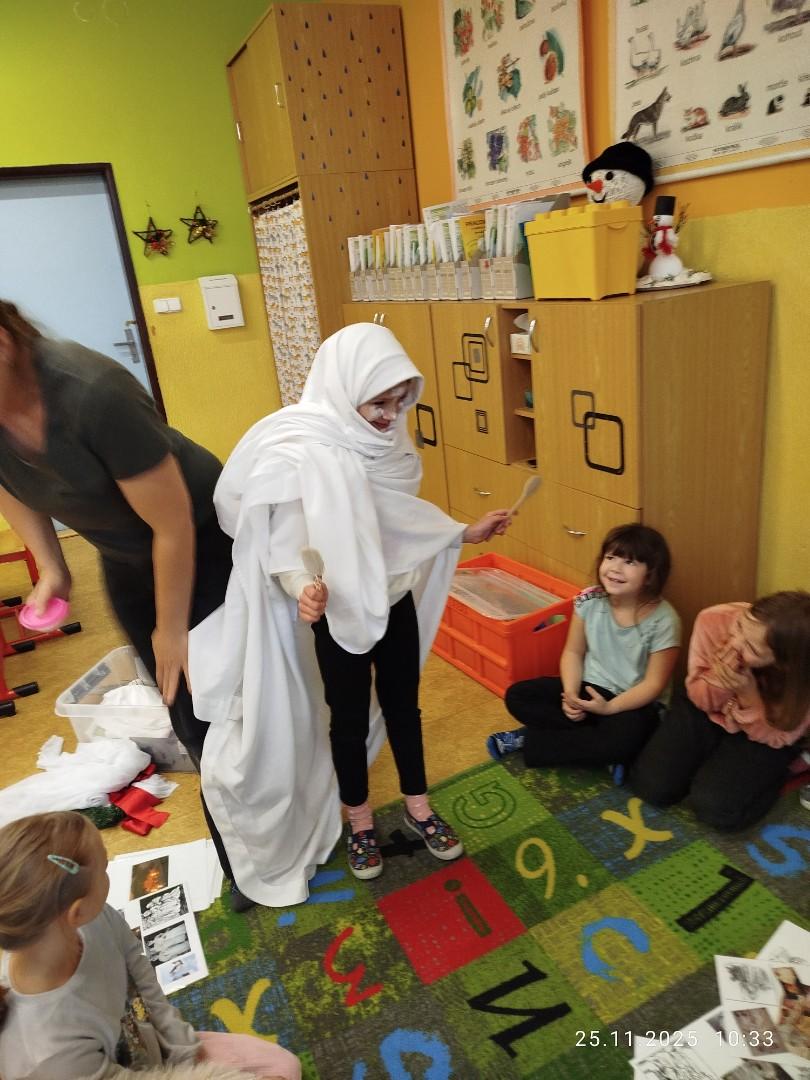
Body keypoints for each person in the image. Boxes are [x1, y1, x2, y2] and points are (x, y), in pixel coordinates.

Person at [189, 323, 511, 902]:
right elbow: (284, 544)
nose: (390, 416)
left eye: (400, 402)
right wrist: (302, 588)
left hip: (393, 602)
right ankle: (359, 821)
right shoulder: (303, 449)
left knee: (405, 708)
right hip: (338, 614)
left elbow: (398, 525)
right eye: (378, 403)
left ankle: (418, 806)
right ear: (344, 389)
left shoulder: (391, 450)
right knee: (348, 719)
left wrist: (464, 531)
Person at [0, 301, 248, 911]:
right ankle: (239, 848)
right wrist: (53, 567)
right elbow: (12, 486)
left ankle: (271, 821)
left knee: (223, 693)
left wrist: (173, 627)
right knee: (181, 703)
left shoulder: (92, 392)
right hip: (124, 550)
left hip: (203, 537)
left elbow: (174, 526)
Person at [0, 811, 301, 1080]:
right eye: (104, 867)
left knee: (284, 1066)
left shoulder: (89, 918)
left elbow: (138, 967)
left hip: (150, 1049)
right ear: (76, 912)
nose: (107, 873)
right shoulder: (48, 1056)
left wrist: (182, 1047)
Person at [486, 524, 680, 777]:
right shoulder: (588, 600)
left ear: (651, 574)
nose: (615, 568)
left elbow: (653, 685)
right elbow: (573, 653)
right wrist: (570, 694)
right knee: (518, 696)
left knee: (626, 737)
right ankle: (603, 750)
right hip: (590, 688)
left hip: (632, 703)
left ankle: (530, 741)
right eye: (610, 557)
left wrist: (610, 708)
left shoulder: (665, 620)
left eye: (630, 562)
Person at [631, 591, 810, 830]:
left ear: (783, 663)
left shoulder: (801, 675)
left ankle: (787, 771)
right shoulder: (715, 619)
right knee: (652, 788)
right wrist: (720, 680)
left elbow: (777, 737)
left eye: (752, 648)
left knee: (716, 809)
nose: (735, 643)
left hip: (765, 731)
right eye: (740, 626)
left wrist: (748, 696)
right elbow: (699, 698)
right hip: (706, 704)